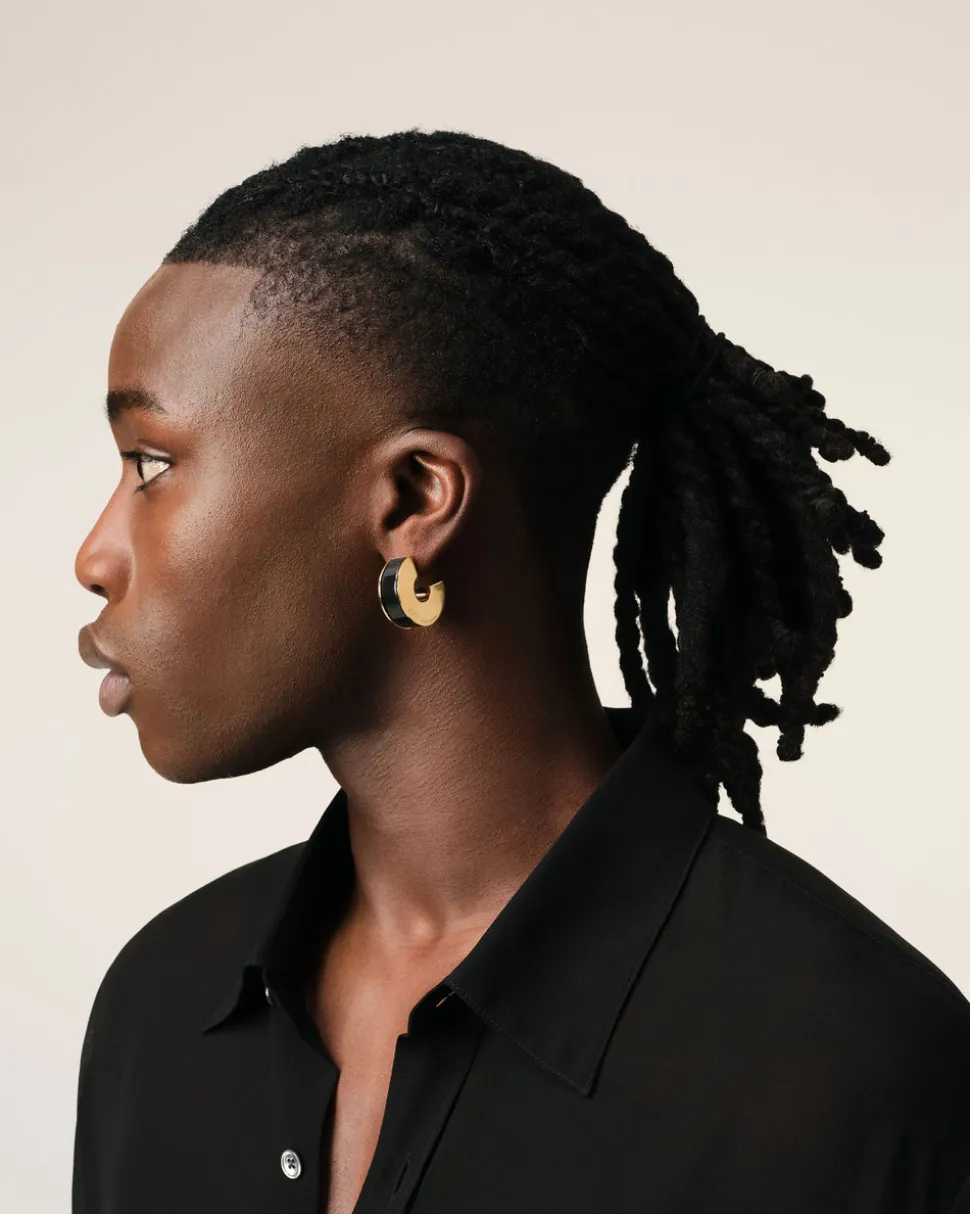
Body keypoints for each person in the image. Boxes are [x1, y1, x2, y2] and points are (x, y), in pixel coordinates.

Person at [72, 129, 970, 1214]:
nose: (94, 556)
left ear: (414, 499)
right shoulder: (159, 1012)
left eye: (151, 464)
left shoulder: (851, 1072)